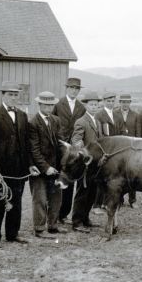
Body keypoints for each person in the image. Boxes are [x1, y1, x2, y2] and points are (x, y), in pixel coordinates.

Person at [0, 81, 39, 248]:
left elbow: (27, 143)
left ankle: (12, 234)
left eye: (16, 94)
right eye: (10, 94)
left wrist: (30, 164)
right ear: (3, 95)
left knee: (16, 202)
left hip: (20, 169)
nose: (13, 98)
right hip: (1, 169)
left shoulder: (23, 115)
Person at [28, 91, 65, 237]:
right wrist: (45, 167)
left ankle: (53, 225)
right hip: (39, 169)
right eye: (46, 105)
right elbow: (34, 150)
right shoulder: (33, 123)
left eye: (51, 105)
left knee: (56, 198)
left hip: (55, 167)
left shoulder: (56, 120)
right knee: (40, 199)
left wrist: (65, 158)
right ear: (40, 105)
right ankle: (39, 229)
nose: (49, 108)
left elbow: (61, 142)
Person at [52, 77, 86, 224]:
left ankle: (64, 213)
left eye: (76, 88)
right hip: (60, 147)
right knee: (57, 180)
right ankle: (53, 213)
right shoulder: (58, 104)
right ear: (67, 88)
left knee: (70, 181)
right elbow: (52, 123)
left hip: (74, 151)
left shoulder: (81, 107)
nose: (74, 90)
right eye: (71, 88)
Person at [70, 91, 103, 233]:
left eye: (96, 105)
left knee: (92, 192)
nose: (94, 107)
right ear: (86, 105)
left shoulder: (98, 122)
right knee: (82, 192)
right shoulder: (81, 121)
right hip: (85, 163)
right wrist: (82, 149)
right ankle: (76, 222)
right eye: (91, 104)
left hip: (97, 164)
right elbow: (76, 139)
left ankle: (85, 218)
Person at [93, 92, 119, 214]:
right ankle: (97, 204)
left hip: (114, 149)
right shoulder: (99, 115)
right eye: (108, 101)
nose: (110, 103)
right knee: (101, 177)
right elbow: (99, 134)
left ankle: (106, 202)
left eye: (112, 100)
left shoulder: (116, 114)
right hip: (104, 150)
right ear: (104, 101)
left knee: (111, 177)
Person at [115, 93, 141, 206]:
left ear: (130, 103)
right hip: (119, 149)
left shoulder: (136, 115)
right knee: (119, 174)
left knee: (132, 173)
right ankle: (119, 199)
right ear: (120, 102)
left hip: (132, 148)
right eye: (123, 102)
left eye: (127, 102)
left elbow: (138, 133)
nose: (125, 104)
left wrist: (138, 147)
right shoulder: (115, 113)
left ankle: (133, 200)